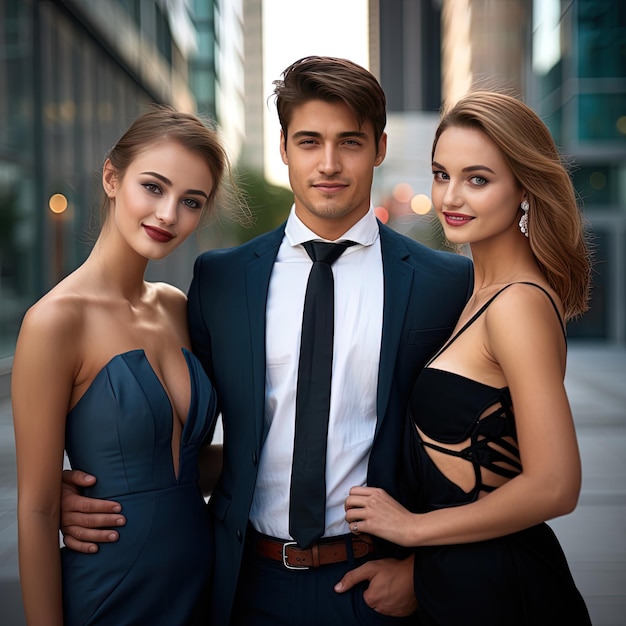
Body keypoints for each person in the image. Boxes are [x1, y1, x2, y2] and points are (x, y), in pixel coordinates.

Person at [59, 56, 474, 625]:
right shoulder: (221, 281)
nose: (328, 164)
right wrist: (98, 492)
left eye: (349, 142)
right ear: (283, 147)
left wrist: (427, 573)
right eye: (309, 141)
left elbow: (478, 455)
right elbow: (198, 443)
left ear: (378, 147)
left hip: (379, 587)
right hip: (244, 583)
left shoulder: (444, 284)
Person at [344, 90, 593, 625]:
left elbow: (555, 484)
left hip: (503, 589)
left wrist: (411, 529)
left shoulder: (518, 303)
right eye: (441, 174)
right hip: (459, 579)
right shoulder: (476, 294)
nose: (450, 197)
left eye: (477, 179)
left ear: (524, 189)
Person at [12, 106, 237, 625]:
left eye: (191, 202)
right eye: (153, 187)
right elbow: (38, 511)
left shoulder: (177, 306)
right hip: (113, 591)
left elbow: (178, 468)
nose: (167, 215)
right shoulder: (54, 322)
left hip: (202, 582)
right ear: (112, 177)